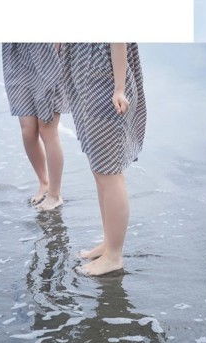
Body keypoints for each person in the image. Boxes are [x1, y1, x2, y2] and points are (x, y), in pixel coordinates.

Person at [58, 43, 147, 276]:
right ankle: (109, 244)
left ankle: (114, 255)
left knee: (109, 172)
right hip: (88, 82)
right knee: (100, 170)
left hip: (103, 82)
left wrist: (119, 88)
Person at [2, 43, 66, 211]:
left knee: (47, 128)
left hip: (47, 49)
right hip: (17, 53)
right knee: (27, 130)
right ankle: (44, 183)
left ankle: (54, 194)